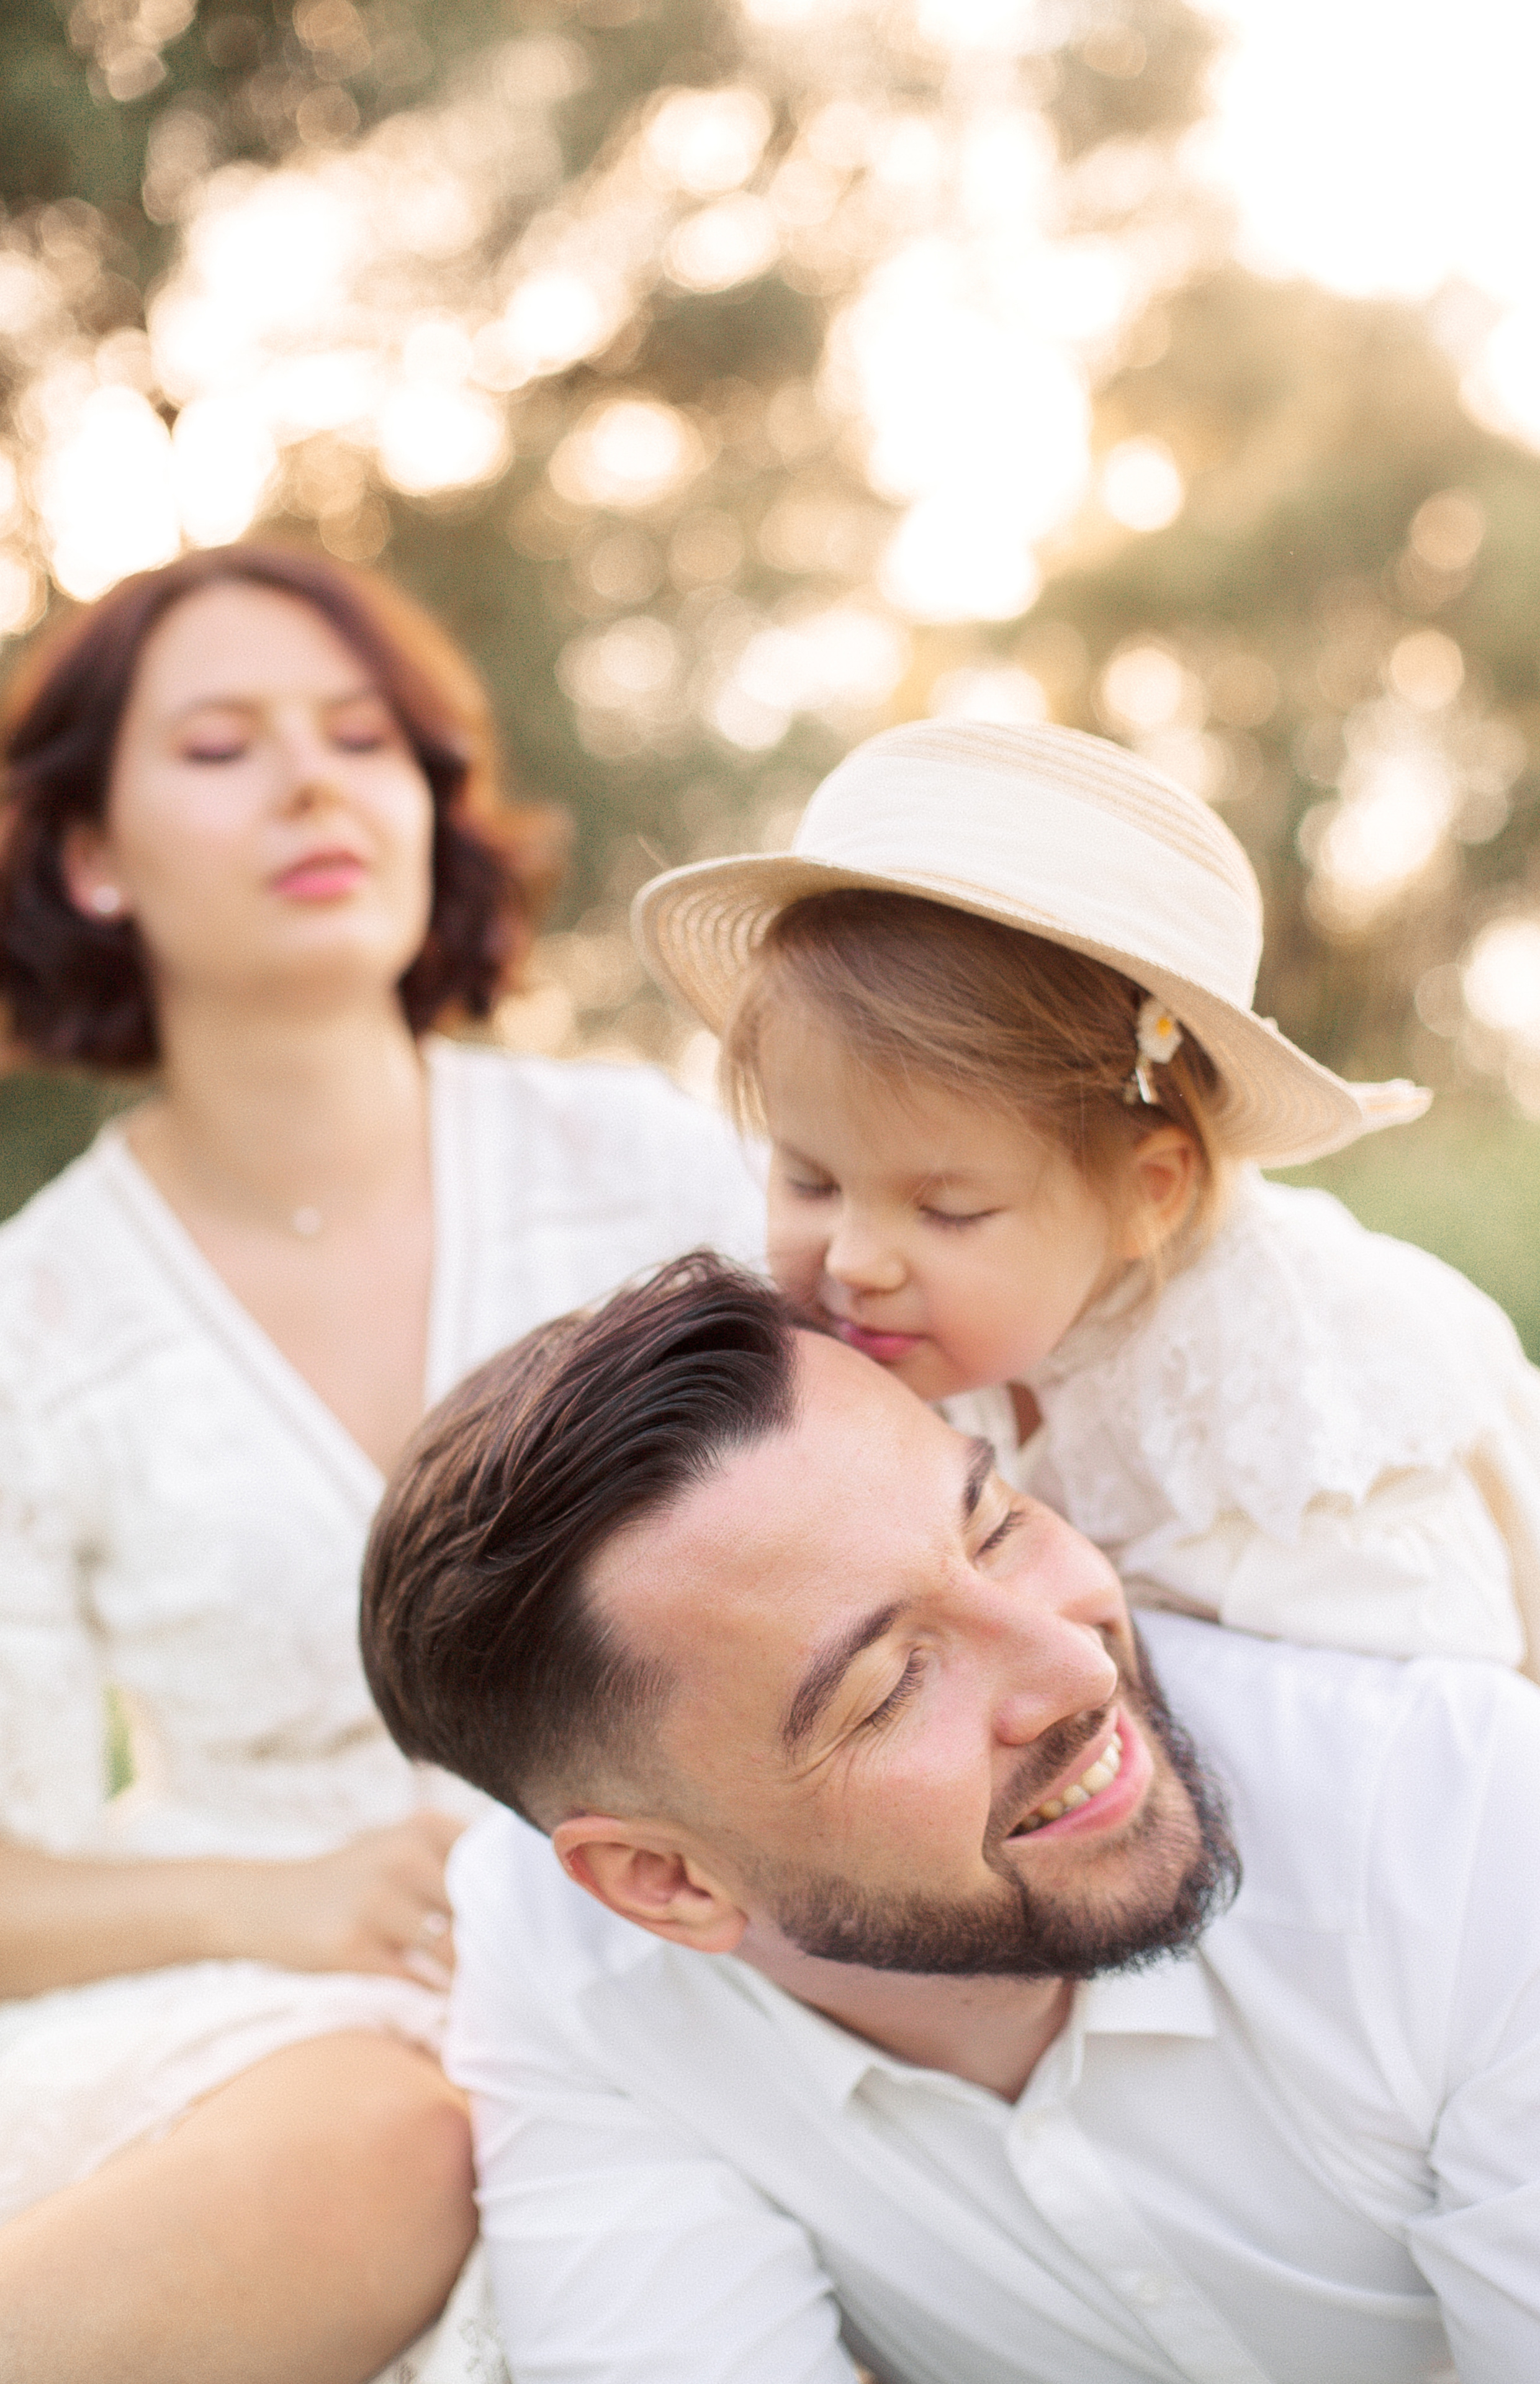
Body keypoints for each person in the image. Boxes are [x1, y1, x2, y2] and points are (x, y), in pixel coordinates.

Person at [0, 546, 762, 2384]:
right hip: (252, 2014)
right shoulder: (31, 1321)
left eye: (363, 736)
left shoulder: (648, 1169)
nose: (318, 783)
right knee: (392, 2144)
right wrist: (282, 1900)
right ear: (92, 861)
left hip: (691, 1922)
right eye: (220, 747)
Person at [361, 1253, 1540, 2384]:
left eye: (995, 1526)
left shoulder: (1452, 1812)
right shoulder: (571, 1970)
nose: (1073, 1664)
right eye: (890, 1685)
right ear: (663, 1884)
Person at [633, 719, 1540, 1725]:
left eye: (950, 1211)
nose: (856, 1260)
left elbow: (1436, 1728)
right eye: (810, 1182)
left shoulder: (1292, 1385)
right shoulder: (909, 1344)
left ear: (1150, 1194)